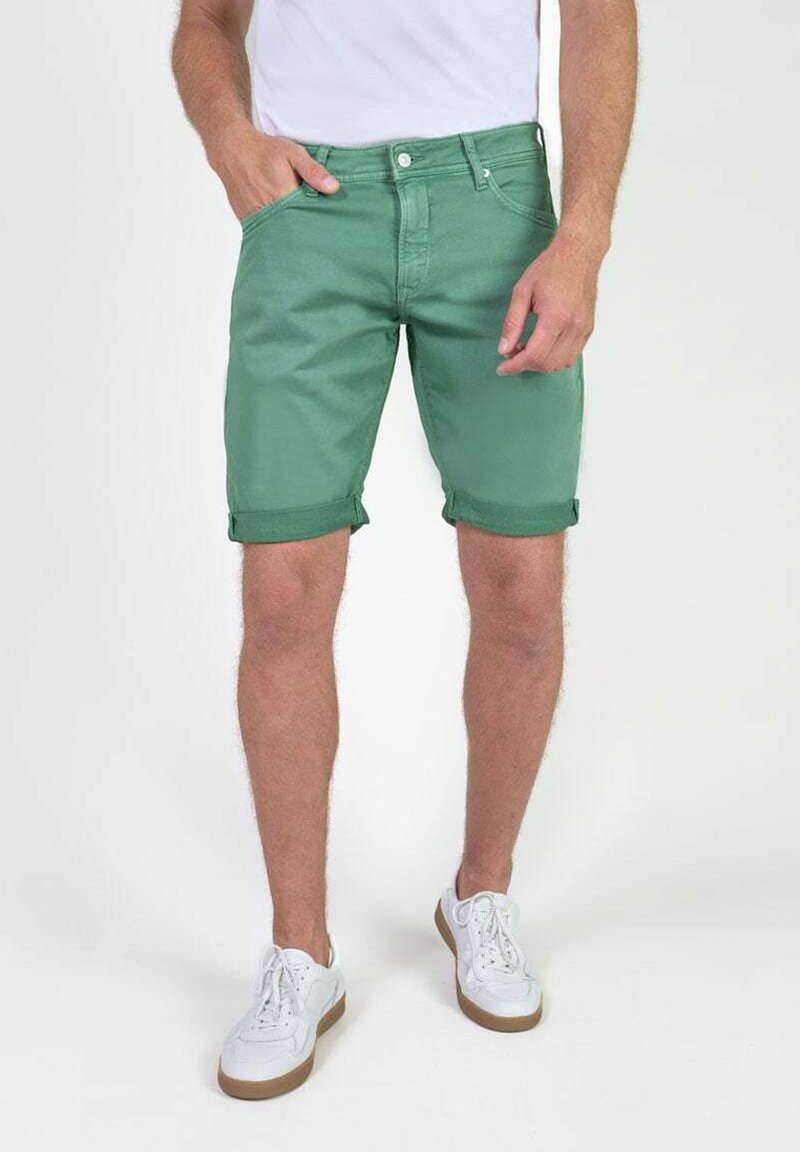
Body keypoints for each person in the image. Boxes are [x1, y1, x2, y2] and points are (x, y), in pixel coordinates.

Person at [173, 0, 637, 1100]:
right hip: (307, 210)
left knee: (521, 583)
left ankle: (481, 892)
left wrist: (583, 236)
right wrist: (230, 140)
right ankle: (299, 954)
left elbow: (599, 18)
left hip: (495, 206)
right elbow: (205, 22)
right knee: (283, 591)